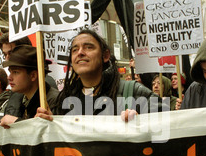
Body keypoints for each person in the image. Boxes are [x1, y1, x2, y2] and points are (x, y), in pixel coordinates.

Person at [36, 29, 164, 121]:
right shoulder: (64, 100)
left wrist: (142, 122)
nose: (80, 52)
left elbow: (172, 127)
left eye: (88, 47)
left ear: (105, 56)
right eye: (75, 49)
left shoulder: (133, 91)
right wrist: (49, 124)